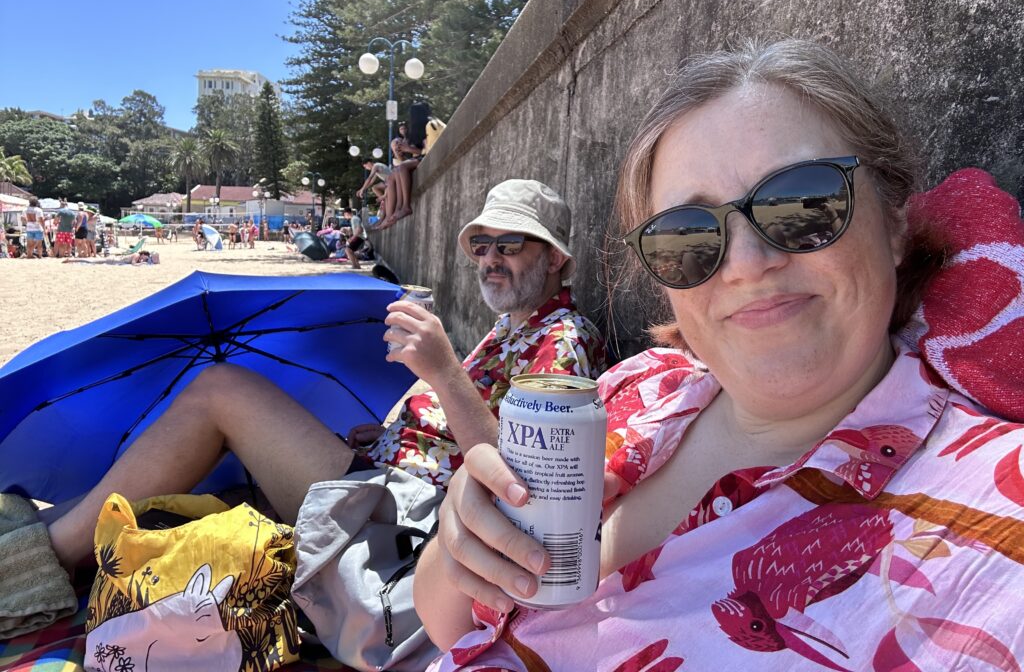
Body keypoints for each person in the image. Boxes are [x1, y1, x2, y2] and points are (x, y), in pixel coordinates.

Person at [415, 40, 1024, 670]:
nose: (746, 264)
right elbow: (449, 625)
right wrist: (461, 535)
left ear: (895, 224)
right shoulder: (645, 384)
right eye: (686, 234)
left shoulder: (985, 514)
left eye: (805, 203)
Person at [26, 180, 605, 659]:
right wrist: (398, 433)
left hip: (404, 521)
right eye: (481, 246)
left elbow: (529, 492)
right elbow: (471, 431)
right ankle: (64, 538)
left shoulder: (562, 339)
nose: (489, 260)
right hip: (387, 479)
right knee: (225, 431)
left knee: (220, 390)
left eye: (509, 245)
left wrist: (444, 374)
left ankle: (37, 560)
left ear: (555, 257)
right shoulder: (514, 330)